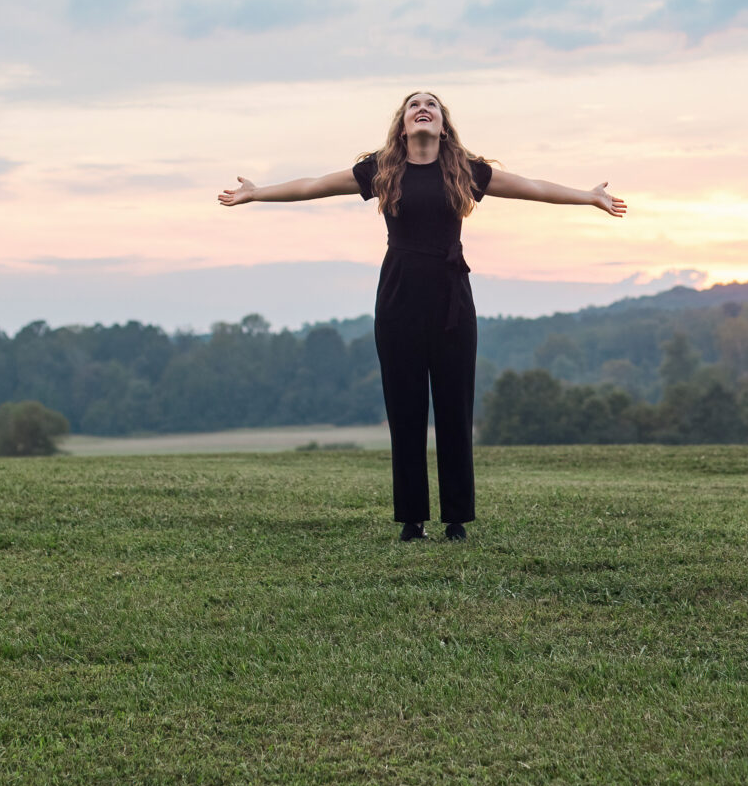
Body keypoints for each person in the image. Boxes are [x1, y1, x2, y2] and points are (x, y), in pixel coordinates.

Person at [219, 91, 626, 541]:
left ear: (443, 125)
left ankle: (456, 521)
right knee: (406, 409)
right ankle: (412, 521)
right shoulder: (381, 169)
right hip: (398, 299)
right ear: (403, 124)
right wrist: (257, 194)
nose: (422, 107)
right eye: (414, 104)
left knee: (455, 408)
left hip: (452, 299)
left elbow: (532, 188)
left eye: (431, 104)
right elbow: (314, 185)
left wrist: (588, 197)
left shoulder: (465, 171)